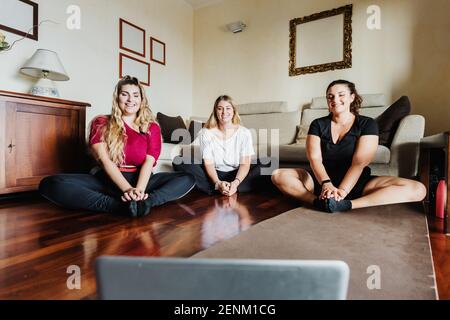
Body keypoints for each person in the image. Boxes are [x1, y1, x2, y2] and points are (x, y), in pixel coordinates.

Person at [39, 76, 195, 217]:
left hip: (141, 181)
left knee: (187, 177)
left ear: (141, 100)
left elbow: (149, 162)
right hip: (107, 180)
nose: (130, 100)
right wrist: (127, 189)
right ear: (117, 98)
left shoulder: (152, 127)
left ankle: (146, 203)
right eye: (124, 94)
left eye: (135, 95)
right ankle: (117, 205)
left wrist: (138, 191)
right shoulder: (101, 122)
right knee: (50, 184)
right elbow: (105, 161)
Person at [272, 80, 426, 213]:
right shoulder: (318, 124)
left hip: (358, 182)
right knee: (278, 175)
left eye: (341, 95)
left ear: (352, 97)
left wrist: (343, 192)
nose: (335, 99)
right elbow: (315, 159)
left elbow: (359, 163)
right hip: (319, 182)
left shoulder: (367, 124)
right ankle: (317, 202)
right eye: (330, 96)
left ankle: (347, 205)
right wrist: (326, 185)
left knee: (419, 189)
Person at [173, 95, 274, 196]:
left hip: (236, 173)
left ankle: (233, 188)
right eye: (220, 108)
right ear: (215, 112)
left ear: (233, 111)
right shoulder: (206, 132)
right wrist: (217, 182)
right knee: (180, 160)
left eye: (228, 108)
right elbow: (209, 163)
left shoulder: (244, 132)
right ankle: (217, 188)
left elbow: (245, 164)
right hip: (214, 174)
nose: (224, 112)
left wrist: (235, 183)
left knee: (270, 162)